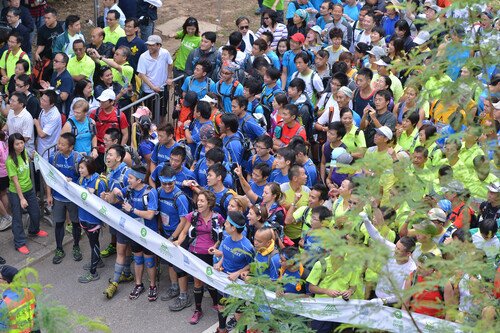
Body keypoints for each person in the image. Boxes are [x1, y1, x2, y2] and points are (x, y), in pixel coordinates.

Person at [174, 189, 224, 324]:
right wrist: (178, 242)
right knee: (198, 282)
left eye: (202, 201)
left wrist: (216, 246)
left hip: (211, 255)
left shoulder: (218, 217)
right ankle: (198, 310)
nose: (199, 203)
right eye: (198, 201)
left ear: (209, 203)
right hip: (195, 253)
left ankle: (215, 303)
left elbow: (221, 236)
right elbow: (184, 232)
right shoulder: (193, 215)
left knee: (211, 280)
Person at [114, 165, 159, 301]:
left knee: (149, 260)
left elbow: (150, 215)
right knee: (138, 259)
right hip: (134, 232)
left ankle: (152, 286)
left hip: (148, 233)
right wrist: (113, 192)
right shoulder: (129, 189)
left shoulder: (150, 192)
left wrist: (132, 210)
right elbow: (114, 197)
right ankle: (138, 284)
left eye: (131, 178)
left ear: (139, 180)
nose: (128, 180)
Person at [360, 212, 417, 306]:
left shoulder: (411, 269)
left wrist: (384, 301)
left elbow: (402, 294)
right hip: (377, 296)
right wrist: (366, 221)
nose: (395, 250)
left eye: (399, 249)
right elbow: (377, 236)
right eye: (396, 247)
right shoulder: (392, 249)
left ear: (408, 254)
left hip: (392, 305)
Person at [156, 165, 192, 311]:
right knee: (170, 263)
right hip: (166, 233)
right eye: (164, 183)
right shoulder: (159, 192)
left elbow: (184, 220)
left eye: (170, 183)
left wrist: (173, 237)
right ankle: (174, 287)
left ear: (175, 181)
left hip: (178, 236)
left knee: (180, 267)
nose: (167, 186)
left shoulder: (180, 197)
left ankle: (184, 296)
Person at [213, 211, 255, 333]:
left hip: (237, 284)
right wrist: (219, 263)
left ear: (233, 227)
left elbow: (251, 265)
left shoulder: (247, 246)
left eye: (226, 223)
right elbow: (225, 255)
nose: (224, 224)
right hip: (223, 279)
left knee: (239, 313)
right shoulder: (226, 236)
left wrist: (238, 273)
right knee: (221, 307)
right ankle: (222, 329)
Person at [7, 133, 48, 255]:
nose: (20, 146)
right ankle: (19, 243)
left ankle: (34, 230)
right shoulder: (10, 161)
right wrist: (21, 198)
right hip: (16, 193)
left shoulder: (24, 153)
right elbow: (15, 182)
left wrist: (34, 156)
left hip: (29, 189)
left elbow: (30, 160)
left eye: (21, 143)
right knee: (18, 218)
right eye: (17, 144)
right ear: (12, 145)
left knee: (35, 212)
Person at [101, 144, 134, 299]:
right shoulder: (110, 173)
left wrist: (112, 197)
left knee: (120, 250)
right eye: (107, 154)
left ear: (119, 158)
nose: (107, 157)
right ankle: (127, 273)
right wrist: (106, 195)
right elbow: (111, 196)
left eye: (111, 155)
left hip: (125, 219)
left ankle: (114, 283)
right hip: (115, 217)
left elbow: (129, 196)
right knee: (125, 247)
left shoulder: (126, 174)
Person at [47, 133, 83, 264]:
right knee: (59, 223)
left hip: (73, 199)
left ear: (71, 147)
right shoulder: (54, 157)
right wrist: (49, 194)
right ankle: (59, 249)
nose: (59, 146)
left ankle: (76, 246)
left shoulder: (78, 159)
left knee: (75, 223)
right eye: (59, 143)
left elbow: (83, 178)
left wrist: (73, 182)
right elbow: (49, 177)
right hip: (58, 198)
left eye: (63, 145)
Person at [77, 156, 107, 283]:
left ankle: (93, 273)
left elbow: (104, 203)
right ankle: (98, 260)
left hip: (93, 220)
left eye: (82, 168)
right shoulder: (81, 179)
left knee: (94, 244)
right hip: (83, 216)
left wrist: (93, 194)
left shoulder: (98, 182)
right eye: (79, 167)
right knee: (91, 242)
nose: (80, 170)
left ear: (89, 167)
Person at [89, 88, 129, 173]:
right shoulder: (94, 113)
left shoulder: (120, 115)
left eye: (104, 101)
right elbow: (92, 132)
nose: (101, 103)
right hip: (98, 150)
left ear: (112, 102)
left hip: (113, 151)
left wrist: (119, 149)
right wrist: (94, 148)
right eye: (100, 101)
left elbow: (125, 134)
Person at [0, 265, 38, 332]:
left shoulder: (4, 305)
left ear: (5, 282)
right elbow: (35, 311)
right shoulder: (29, 291)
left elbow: (3, 328)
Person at [3, 92, 35, 157]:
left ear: (21, 104)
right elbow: (7, 125)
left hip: (24, 151)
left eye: (13, 101)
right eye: (10, 100)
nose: (10, 102)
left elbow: (26, 138)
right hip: (12, 147)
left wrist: (12, 144)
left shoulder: (27, 117)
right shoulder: (11, 111)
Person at [34, 90, 61, 159]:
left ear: (52, 104)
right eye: (41, 99)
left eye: (44, 101)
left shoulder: (54, 116)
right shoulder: (43, 110)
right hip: (40, 147)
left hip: (49, 150)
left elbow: (42, 134)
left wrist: (36, 123)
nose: (41, 102)